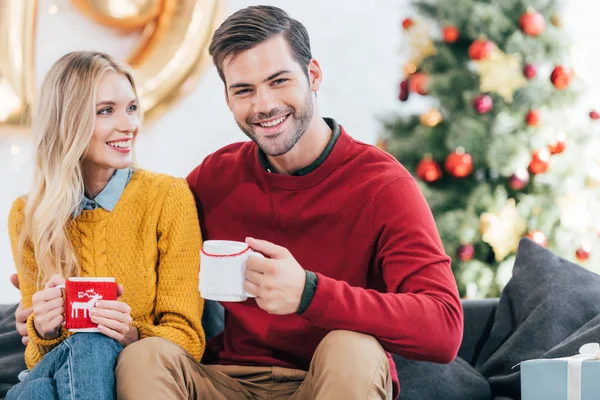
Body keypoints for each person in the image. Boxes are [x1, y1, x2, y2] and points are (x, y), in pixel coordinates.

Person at [115, 5, 464, 400]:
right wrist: (51, 272)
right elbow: (138, 246)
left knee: (354, 348)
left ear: (312, 75)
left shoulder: (383, 186)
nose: (263, 105)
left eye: (278, 81)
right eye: (244, 90)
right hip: (226, 381)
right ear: (228, 99)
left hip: (328, 381)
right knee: (144, 357)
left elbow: (444, 328)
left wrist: (309, 293)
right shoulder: (216, 176)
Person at [6, 51, 204, 400]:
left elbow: (189, 339)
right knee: (60, 365)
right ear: (68, 121)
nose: (129, 125)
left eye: (131, 108)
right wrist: (45, 327)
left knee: (56, 375)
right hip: (62, 373)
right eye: (106, 111)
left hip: (133, 379)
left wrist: (130, 334)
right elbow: (37, 357)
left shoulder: (167, 197)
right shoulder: (29, 214)